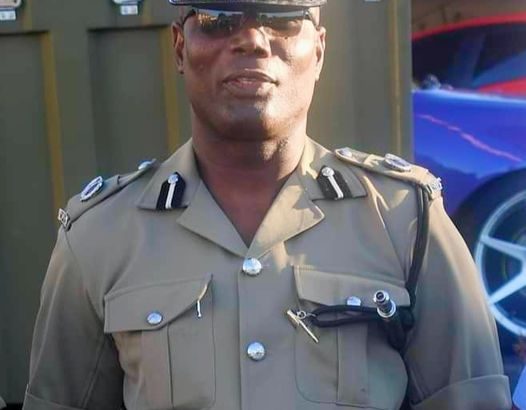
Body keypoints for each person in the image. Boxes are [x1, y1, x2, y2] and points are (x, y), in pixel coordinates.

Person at [23, 1, 511, 409]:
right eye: (219, 19)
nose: (253, 41)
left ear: (318, 51)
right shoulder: (100, 234)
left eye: (282, 18)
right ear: (180, 48)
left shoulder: (403, 218)